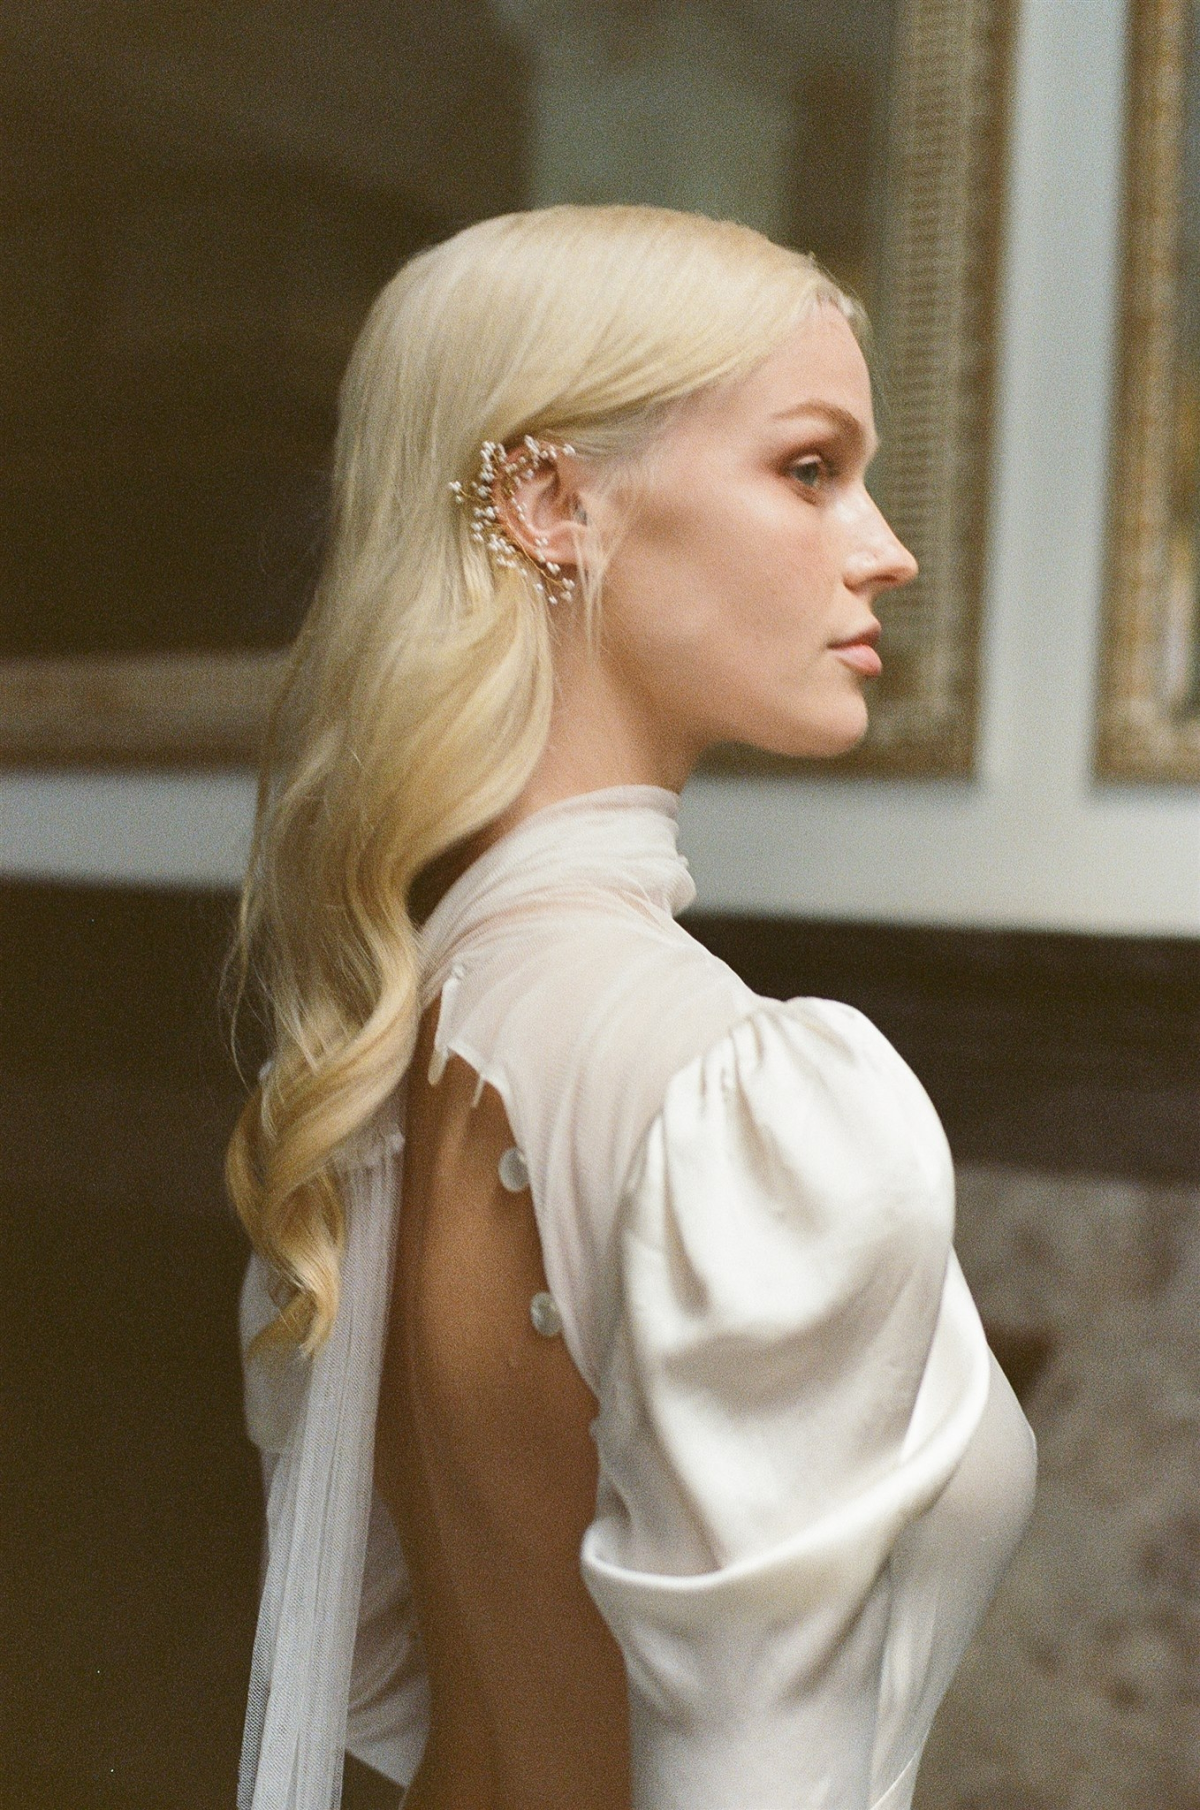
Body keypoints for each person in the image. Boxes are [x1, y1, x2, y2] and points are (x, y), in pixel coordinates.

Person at [229, 204, 1036, 1810]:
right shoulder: (743, 1096)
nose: (887, 549)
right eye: (809, 468)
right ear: (553, 504)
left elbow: (387, 1675)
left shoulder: (390, 1038)